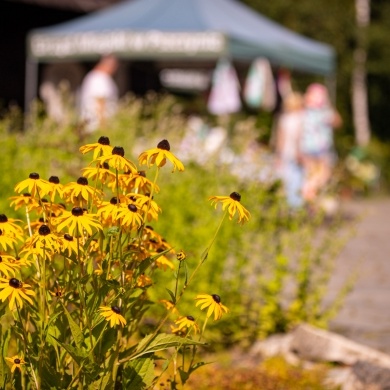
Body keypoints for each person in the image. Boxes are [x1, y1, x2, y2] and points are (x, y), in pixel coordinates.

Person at [300, 83, 342, 203]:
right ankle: (312, 196)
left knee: (311, 176)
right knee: (323, 175)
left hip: (308, 148)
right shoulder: (325, 112)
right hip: (321, 148)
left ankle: (309, 195)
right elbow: (338, 122)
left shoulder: (305, 112)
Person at [275, 92, 305, 209]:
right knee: (298, 179)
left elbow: (280, 140)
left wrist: (278, 156)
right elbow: (299, 137)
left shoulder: (284, 119)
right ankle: (296, 206)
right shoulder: (301, 118)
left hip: (286, 153)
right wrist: (299, 151)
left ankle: (290, 205)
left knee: (288, 180)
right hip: (298, 153)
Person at [79, 54, 119, 132]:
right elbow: (100, 103)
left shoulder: (93, 76)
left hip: (91, 126)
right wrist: (103, 128)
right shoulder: (100, 78)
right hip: (96, 127)